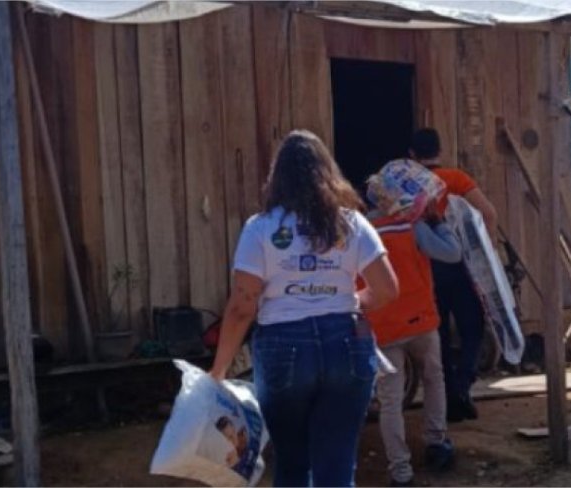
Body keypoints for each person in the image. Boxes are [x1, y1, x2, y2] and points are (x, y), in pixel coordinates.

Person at [209, 130, 399, 487]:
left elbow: (242, 306)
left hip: (283, 346)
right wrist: (352, 302)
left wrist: (218, 371)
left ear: (277, 176)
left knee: (293, 465)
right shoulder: (352, 222)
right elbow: (388, 289)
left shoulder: (261, 228)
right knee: (337, 466)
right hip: (347, 344)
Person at [364, 162, 461, 486]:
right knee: (434, 379)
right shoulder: (411, 225)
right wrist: (437, 220)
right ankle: (436, 443)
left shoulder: (359, 231)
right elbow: (452, 253)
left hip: (382, 327)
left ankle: (401, 472)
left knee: (390, 401)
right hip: (420, 321)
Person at [410, 128, 498, 422]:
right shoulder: (456, 179)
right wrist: (488, 255)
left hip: (427, 266)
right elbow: (488, 213)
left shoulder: (409, 186)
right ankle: (463, 386)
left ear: (412, 155)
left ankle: (449, 397)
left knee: (439, 334)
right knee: (472, 327)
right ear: (440, 150)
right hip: (462, 265)